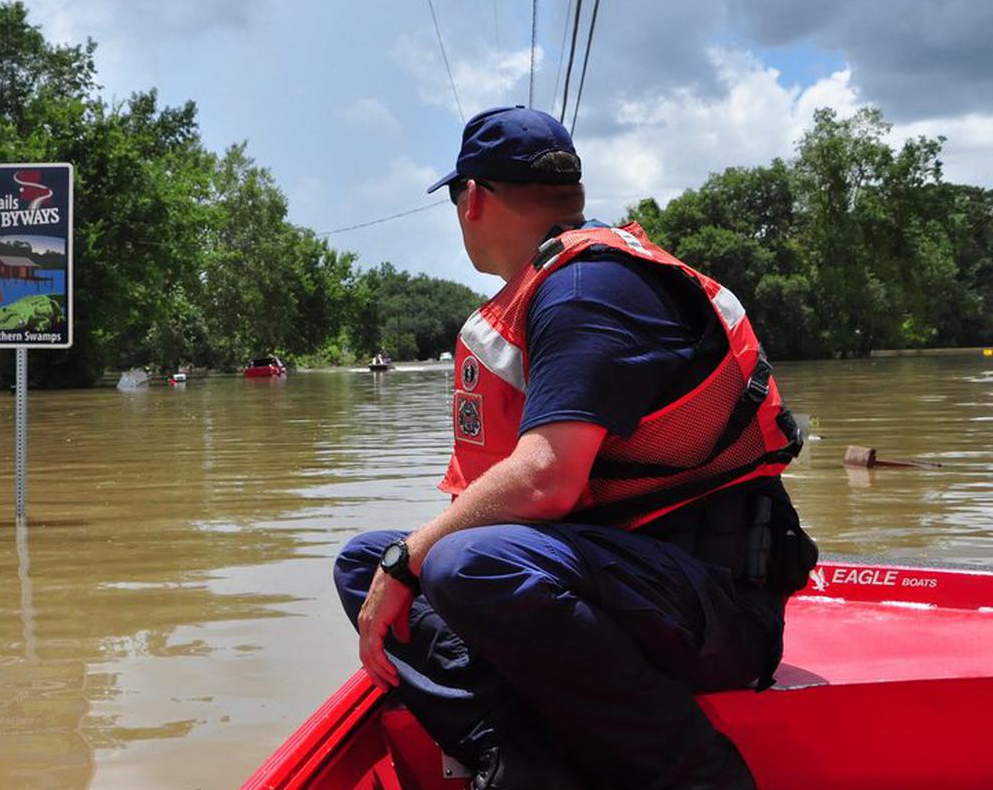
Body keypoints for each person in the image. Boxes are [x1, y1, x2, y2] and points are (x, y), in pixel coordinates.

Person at [333, 106, 815, 789]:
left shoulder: (588, 290)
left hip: (715, 609)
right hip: (633, 589)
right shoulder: (562, 285)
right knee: (364, 562)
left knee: (463, 562)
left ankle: (696, 775)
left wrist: (411, 558)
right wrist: (399, 562)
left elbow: (546, 482)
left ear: (472, 197)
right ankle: (523, 762)